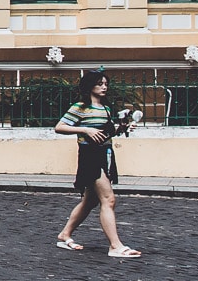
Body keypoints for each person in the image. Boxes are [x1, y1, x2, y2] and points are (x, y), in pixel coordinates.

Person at [54, 70, 139, 258]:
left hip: (105, 155)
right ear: (90, 86)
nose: (104, 87)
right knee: (108, 199)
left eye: (106, 84)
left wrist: (123, 128)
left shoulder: (106, 108)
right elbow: (59, 127)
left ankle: (64, 234)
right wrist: (85, 129)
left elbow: (106, 133)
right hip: (90, 156)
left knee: (90, 201)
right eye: (100, 83)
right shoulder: (80, 107)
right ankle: (115, 246)